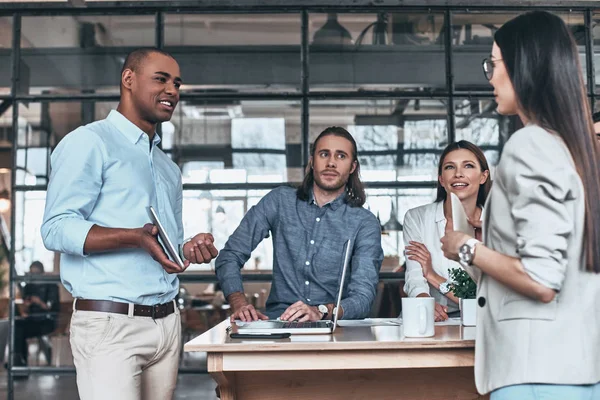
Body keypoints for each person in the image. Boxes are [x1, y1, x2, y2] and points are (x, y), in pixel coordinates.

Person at [41, 48, 219, 400]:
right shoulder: (89, 142)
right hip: (109, 324)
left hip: (167, 324)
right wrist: (133, 238)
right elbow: (56, 228)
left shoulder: (168, 168)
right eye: (161, 79)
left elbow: (163, 244)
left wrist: (186, 249)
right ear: (128, 79)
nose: (173, 90)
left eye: (177, 83)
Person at [441, 11, 600, 399]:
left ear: (523, 68)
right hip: (575, 367)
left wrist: (463, 245)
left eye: (494, 64)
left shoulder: (531, 145)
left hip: (536, 371)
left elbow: (542, 280)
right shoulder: (575, 150)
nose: (490, 76)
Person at [216, 126, 384, 322]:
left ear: (352, 167)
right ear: (312, 161)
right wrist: (239, 303)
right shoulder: (279, 201)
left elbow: (363, 298)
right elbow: (229, 256)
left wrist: (321, 310)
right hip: (279, 325)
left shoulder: (365, 223)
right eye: (324, 154)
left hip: (334, 331)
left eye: (341, 156)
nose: (331, 163)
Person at [403, 141, 490, 321]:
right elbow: (415, 276)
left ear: (483, 176)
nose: (458, 174)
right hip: (428, 317)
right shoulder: (417, 218)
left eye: (468, 166)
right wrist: (423, 301)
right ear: (442, 179)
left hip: (480, 320)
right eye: (450, 167)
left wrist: (433, 276)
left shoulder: (496, 223)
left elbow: (483, 299)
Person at [14, 261, 59, 367]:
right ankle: (19, 361)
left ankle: (19, 363)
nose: (34, 276)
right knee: (17, 327)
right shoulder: (29, 286)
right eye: (32, 274)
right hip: (32, 320)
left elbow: (52, 308)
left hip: (46, 321)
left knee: (19, 330)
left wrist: (38, 301)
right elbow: (25, 305)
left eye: (36, 274)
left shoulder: (51, 285)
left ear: (41, 273)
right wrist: (27, 305)